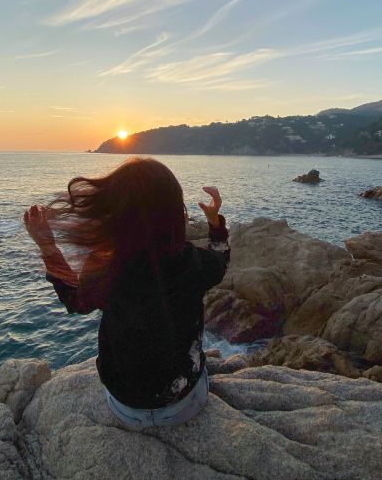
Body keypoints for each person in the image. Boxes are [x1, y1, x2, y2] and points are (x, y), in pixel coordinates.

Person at [23, 157, 230, 429]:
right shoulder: (192, 263)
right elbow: (221, 260)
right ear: (170, 216)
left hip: (125, 407)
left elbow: (76, 301)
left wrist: (49, 248)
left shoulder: (105, 265)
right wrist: (215, 222)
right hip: (183, 405)